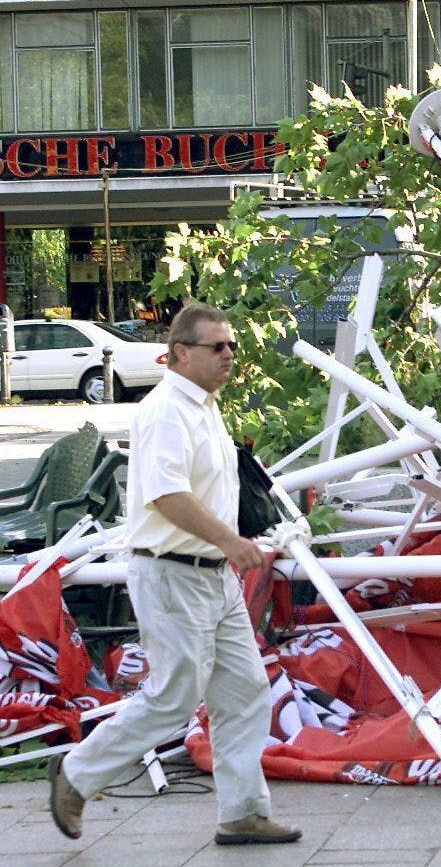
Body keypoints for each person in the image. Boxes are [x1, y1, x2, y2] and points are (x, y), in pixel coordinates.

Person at [48, 303, 299, 846]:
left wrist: (242, 534)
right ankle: (76, 774)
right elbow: (166, 497)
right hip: (170, 572)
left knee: (245, 690)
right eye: (218, 347)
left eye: (232, 346)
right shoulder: (166, 410)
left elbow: (207, 488)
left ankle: (242, 812)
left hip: (211, 574)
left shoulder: (206, 406)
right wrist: (230, 541)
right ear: (180, 353)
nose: (229, 355)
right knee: (173, 697)